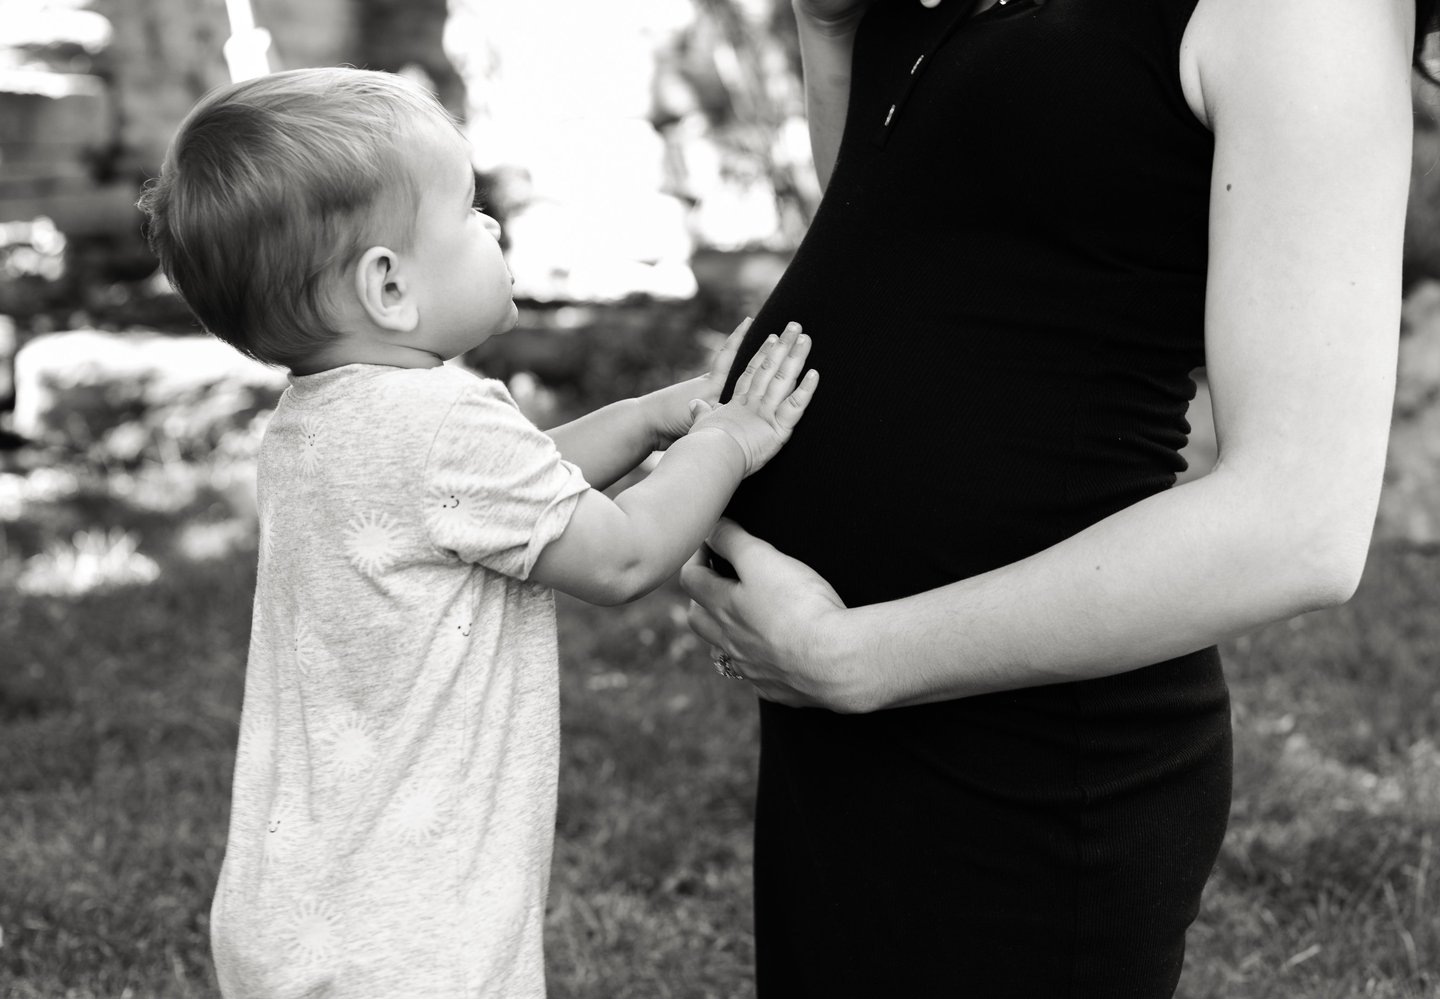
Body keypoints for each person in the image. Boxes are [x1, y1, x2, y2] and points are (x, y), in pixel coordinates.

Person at [681, 0, 1440, 995]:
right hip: (840, 721)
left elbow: (1301, 527)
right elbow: (932, 236)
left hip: (1030, 760)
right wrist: (830, 40)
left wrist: (852, 655)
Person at [136, 67, 817, 997]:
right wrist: (730, 442)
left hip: (302, 905)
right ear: (389, 286)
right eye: (468, 211)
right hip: (413, 931)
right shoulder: (447, 426)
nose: (494, 228)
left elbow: (512, 491)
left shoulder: (318, 420)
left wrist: (658, 415)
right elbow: (620, 555)